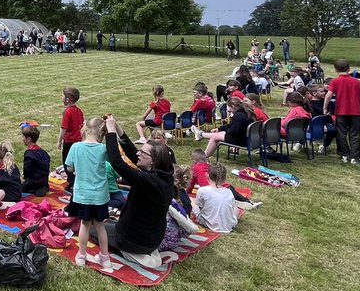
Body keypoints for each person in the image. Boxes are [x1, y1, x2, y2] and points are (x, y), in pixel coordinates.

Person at [101, 116, 176, 268]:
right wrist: (117, 129)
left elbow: (118, 163)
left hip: (134, 240)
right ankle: (144, 252)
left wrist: (110, 132)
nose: (138, 154)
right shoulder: (164, 172)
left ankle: (132, 254)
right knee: (109, 223)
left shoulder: (148, 181)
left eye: (143, 153)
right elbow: (133, 153)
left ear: (153, 160)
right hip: (152, 239)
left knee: (95, 229)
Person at [65, 118, 115, 271]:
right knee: (100, 225)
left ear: (84, 128)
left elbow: (70, 168)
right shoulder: (103, 148)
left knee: (85, 224)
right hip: (100, 195)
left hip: (83, 195)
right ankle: (105, 258)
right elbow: (113, 162)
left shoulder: (76, 147)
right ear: (102, 132)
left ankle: (81, 255)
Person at [324, 59, 360, 163]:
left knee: (341, 134)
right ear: (349, 68)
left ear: (335, 69)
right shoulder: (357, 82)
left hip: (341, 111)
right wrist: (359, 108)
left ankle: (344, 154)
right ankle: (354, 157)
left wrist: (325, 107)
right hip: (355, 112)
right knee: (354, 134)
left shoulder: (335, 81)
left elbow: (328, 95)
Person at [194, 162, 239, 233]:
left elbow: (200, 208)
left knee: (194, 205)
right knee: (236, 209)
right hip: (228, 225)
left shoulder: (202, 190)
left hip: (210, 223)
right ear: (224, 179)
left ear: (207, 175)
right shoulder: (229, 192)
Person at [57, 86, 84, 193]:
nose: (62, 98)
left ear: (67, 99)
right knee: (77, 162)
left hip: (69, 142)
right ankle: (77, 179)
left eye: (63, 96)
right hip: (79, 140)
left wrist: (59, 140)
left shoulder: (67, 112)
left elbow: (64, 128)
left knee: (67, 163)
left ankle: (72, 183)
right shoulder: (79, 111)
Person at [19, 122, 50, 196]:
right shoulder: (43, 152)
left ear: (29, 139)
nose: (22, 139)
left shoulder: (29, 154)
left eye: (23, 137)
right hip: (44, 183)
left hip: (33, 184)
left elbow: (27, 172)